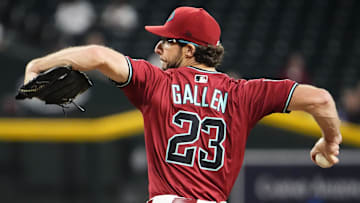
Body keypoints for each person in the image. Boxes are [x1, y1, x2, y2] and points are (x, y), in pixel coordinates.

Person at [22, 6, 342, 203]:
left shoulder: (156, 82)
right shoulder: (245, 93)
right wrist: (330, 141)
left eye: (167, 40)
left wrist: (38, 64)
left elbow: (97, 55)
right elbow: (322, 99)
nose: (158, 47)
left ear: (189, 50)